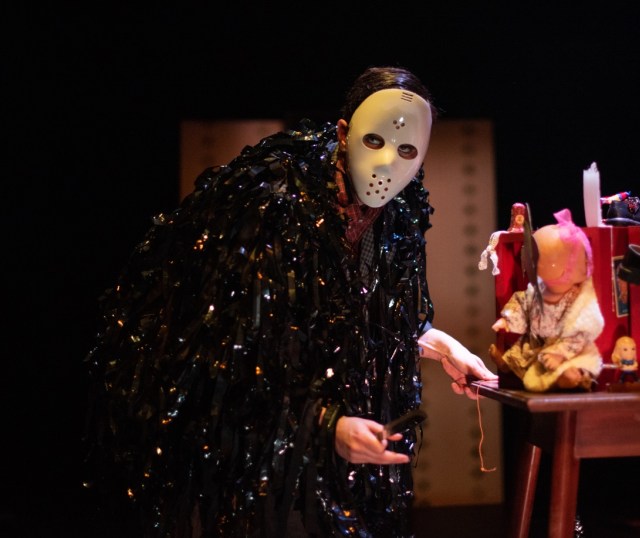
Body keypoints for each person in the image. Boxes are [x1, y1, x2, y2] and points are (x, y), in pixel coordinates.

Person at [82, 66, 497, 538]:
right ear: (343, 133)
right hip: (249, 463)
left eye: (406, 151)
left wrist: (443, 347)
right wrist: (324, 427)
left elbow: (369, 316)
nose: (387, 164)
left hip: (331, 470)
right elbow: (227, 356)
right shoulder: (275, 205)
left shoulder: (396, 215)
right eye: (374, 141)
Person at [490, 209, 604, 392]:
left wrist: (560, 353)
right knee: (524, 349)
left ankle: (569, 378)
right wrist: (508, 320)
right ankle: (507, 366)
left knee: (570, 364)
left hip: (565, 346)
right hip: (539, 341)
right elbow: (523, 302)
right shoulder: (539, 290)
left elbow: (581, 332)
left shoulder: (579, 300)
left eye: (539, 259)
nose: (532, 264)